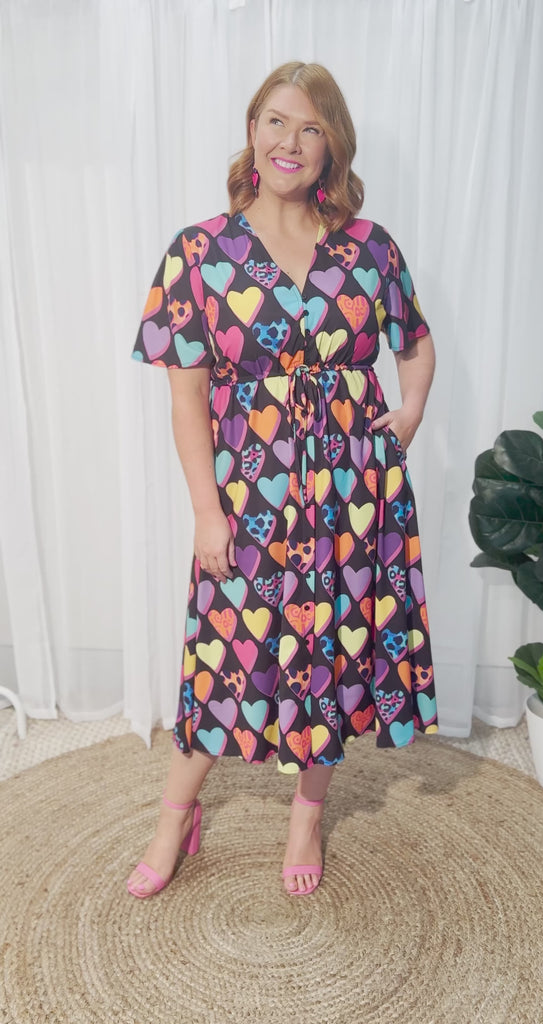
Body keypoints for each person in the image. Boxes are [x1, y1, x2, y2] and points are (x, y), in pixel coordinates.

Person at [127, 61, 439, 900]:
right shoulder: (199, 252)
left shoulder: (370, 247)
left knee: (330, 655)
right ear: (251, 130)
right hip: (251, 494)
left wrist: (408, 413)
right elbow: (187, 398)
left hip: (354, 493)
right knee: (224, 655)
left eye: (310, 127)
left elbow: (414, 340)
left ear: (332, 145)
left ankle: (307, 815)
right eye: (275, 120)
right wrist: (207, 511)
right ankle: (174, 818)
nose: (289, 141)